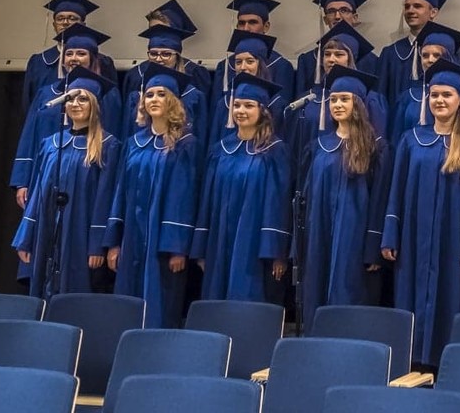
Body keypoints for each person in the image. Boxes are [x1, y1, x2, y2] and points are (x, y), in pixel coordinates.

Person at [381, 58, 460, 368]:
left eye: (447, 95)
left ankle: (444, 365)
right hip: (412, 236)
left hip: (451, 237)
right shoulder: (411, 140)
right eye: (434, 95)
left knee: (450, 296)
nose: (439, 100)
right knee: (409, 294)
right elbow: (396, 190)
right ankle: (409, 363)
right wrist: (390, 235)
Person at [293, 66, 390, 329]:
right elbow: (304, 197)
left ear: (358, 104)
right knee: (316, 287)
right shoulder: (317, 146)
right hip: (319, 232)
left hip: (354, 235)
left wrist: (373, 247)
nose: (337, 104)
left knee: (349, 289)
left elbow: (380, 200)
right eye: (333, 99)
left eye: (344, 99)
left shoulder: (375, 148)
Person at [13, 67, 121, 298]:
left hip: (81, 232)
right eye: (71, 99)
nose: (75, 104)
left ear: (95, 105)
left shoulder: (108, 146)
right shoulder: (51, 144)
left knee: (77, 295)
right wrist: (26, 237)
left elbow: (106, 199)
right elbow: (37, 195)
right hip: (48, 230)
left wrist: (96, 245)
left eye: (83, 99)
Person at [106, 63, 201, 327]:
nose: (154, 99)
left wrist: (177, 248)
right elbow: (120, 193)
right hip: (132, 236)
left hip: (163, 242)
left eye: (161, 94)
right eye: (149, 95)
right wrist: (114, 242)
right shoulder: (134, 143)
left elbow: (184, 198)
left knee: (160, 303)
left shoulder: (185, 144)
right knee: (128, 303)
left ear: (174, 102)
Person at [192, 73, 291, 302]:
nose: (240, 111)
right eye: (236, 105)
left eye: (248, 105)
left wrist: (276, 251)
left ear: (263, 111)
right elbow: (207, 201)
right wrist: (202, 247)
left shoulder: (275, 151)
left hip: (254, 243)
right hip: (219, 239)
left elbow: (279, 204)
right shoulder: (220, 149)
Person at [12, 25, 123, 206]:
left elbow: (112, 138)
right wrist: (22, 181)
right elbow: (29, 137)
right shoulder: (46, 94)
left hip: (87, 175)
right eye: (69, 53)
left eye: (81, 53)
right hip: (46, 172)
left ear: (92, 58)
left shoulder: (107, 95)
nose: (74, 58)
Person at [286, 22, 388, 150]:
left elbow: (376, 145)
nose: (331, 59)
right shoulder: (309, 98)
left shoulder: (369, 99)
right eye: (327, 54)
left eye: (339, 54)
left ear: (352, 58)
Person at [389, 24, 460, 145]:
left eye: (437, 55)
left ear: (450, 57)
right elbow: (396, 139)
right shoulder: (408, 97)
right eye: (425, 55)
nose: (430, 60)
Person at [377, 0, 453, 112]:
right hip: (399, 121)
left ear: (433, 12)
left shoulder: (449, 50)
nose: (410, 11)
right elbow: (380, 99)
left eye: (417, 6)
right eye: (407, 7)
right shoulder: (391, 53)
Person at [23, 0, 106, 110]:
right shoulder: (38, 62)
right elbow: (29, 104)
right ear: (54, 25)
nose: (65, 23)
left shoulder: (102, 62)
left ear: (83, 24)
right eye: (60, 18)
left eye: (72, 18)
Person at [123, 24, 209, 136]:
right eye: (153, 54)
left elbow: (201, 135)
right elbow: (126, 134)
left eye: (166, 54)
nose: (158, 59)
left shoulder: (193, 96)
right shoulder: (136, 96)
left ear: (177, 57)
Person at [296, 0, 374, 98]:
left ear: (355, 17)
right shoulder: (308, 60)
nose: (337, 16)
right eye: (331, 12)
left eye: (344, 10)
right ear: (325, 19)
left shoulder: (371, 61)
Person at [219, 0, 294, 109]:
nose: (246, 28)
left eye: (252, 22)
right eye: (241, 23)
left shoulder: (281, 65)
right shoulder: (225, 66)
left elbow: (282, 109)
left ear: (266, 26)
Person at [209, 29, 280, 136]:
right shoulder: (225, 103)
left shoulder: (275, 103)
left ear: (262, 64)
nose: (242, 67)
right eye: (238, 62)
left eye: (250, 61)